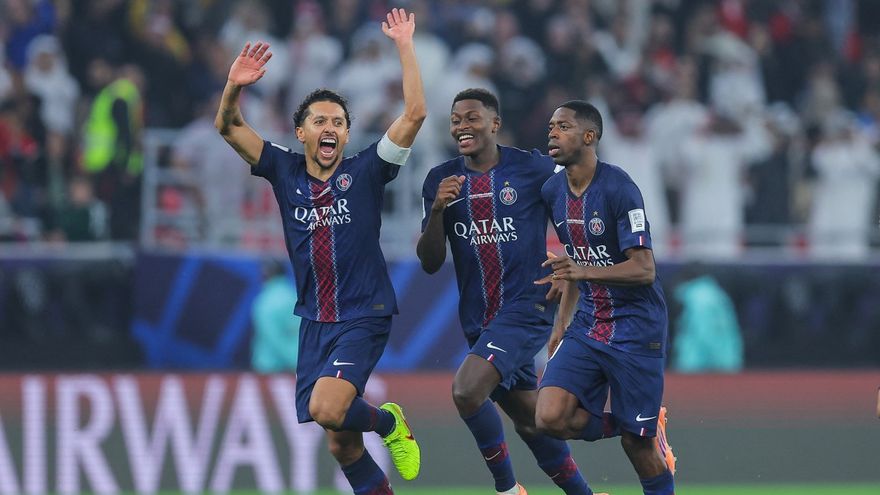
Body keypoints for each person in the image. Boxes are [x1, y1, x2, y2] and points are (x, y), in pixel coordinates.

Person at [214, 8, 425, 494]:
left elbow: (414, 113)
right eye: (319, 120)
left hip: (364, 312)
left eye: (338, 122)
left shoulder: (368, 170)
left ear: (346, 135)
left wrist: (404, 46)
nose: (329, 127)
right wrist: (233, 87)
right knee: (342, 445)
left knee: (327, 407)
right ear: (302, 133)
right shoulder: (282, 169)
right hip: (314, 319)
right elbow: (228, 126)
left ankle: (390, 423)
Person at [418, 88, 597, 495]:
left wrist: (570, 267)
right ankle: (612, 452)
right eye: (456, 120)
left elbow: (576, 212)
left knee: (466, 391)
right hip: (479, 319)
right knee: (533, 422)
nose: (462, 126)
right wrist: (437, 211)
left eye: (471, 118)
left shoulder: (532, 169)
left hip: (527, 307)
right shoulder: (440, 181)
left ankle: (507, 489)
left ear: (495, 124)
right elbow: (429, 262)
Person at [535, 100, 676, 495]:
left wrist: (582, 270)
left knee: (638, 447)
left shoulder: (619, 188)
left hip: (637, 327)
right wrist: (560, 324)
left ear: (589, 136)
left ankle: (642, 430)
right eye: (551, 127)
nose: (552, 133)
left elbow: (644, 269)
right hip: (589, 324)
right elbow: (572, 264)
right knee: (549, 417)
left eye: (563, 126)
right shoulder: (552, 190)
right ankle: (636, 423)